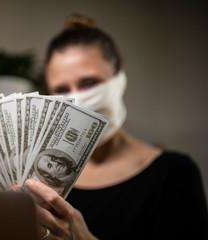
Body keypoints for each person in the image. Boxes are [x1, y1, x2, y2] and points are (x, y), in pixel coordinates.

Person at [13, 13, 208, 239]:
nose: (78, 100)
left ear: (119, 79)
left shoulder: (174, 174)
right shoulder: (39, 182)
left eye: (89, 82)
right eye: (62, 90)